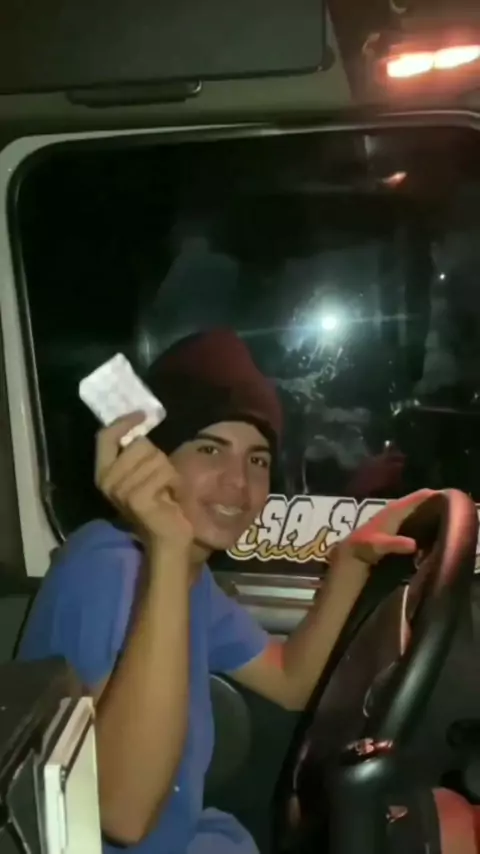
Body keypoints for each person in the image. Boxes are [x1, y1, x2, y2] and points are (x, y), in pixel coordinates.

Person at [17, 328, 434, 854]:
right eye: (210, 448)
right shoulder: (105, 570)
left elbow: (290, 680)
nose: (239, 483)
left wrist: (349, 561)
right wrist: (168, 550)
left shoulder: (190, 575)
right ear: (153, 456)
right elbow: (122, 813)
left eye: (257, 459)